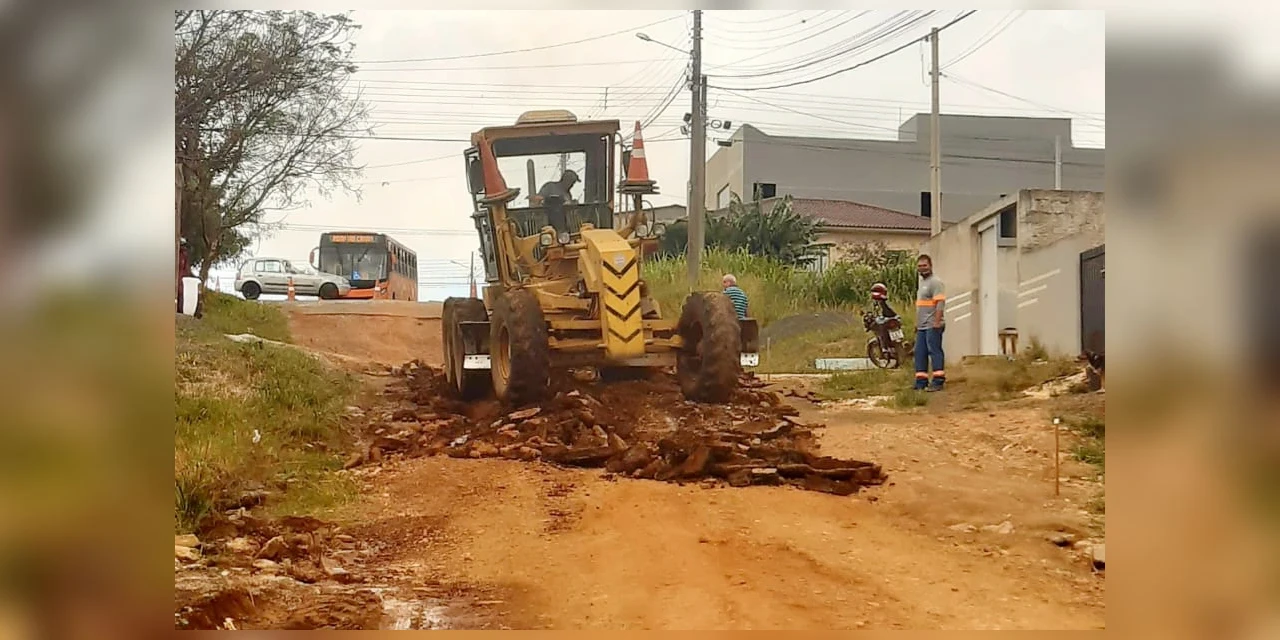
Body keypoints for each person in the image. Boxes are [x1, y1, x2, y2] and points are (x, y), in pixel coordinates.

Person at [913, 254, 946, 391]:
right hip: (922, 326)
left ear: (930, 266)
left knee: (934, 351)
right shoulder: (922, 284)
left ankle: (938, 381)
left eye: (924, 265)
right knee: (919, 352)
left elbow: (940, 303)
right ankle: (921, 381)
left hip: (933, 324)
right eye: (920, 266)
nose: (922, 268)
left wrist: (937, 322)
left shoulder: (935, 282)